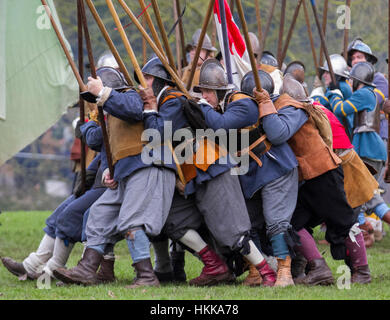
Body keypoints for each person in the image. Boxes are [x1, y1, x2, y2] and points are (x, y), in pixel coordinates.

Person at [53, 61, 177, 288]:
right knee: (98, 214)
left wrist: (101, 92)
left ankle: (147, 276)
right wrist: (112, 168)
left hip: (149, 166)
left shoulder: (132, 95)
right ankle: (87, 268)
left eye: (99, 96)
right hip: (128, 172)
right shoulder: (111, 111)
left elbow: (133, 109)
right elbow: (110, 146)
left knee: (132, 220)